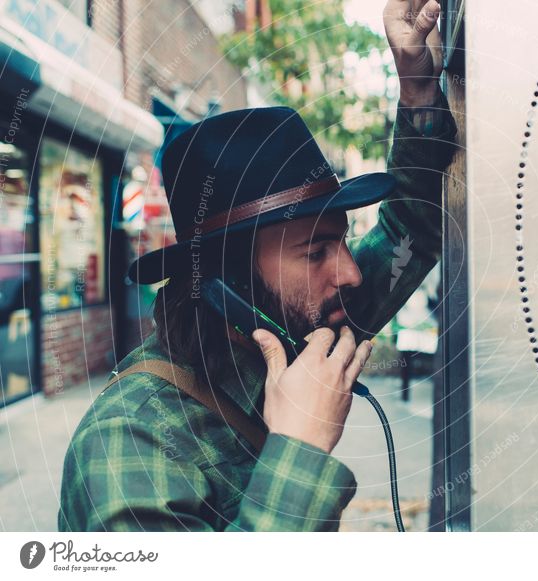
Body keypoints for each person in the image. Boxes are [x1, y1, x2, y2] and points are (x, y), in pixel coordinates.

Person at [57, 0, 457, 532]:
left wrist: (419, 92)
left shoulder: (302, 324)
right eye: (314, 252)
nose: (351, 274)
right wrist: (299, 450)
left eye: (341, 242)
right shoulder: (129, 443)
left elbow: (411, 230)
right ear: (228, 285)